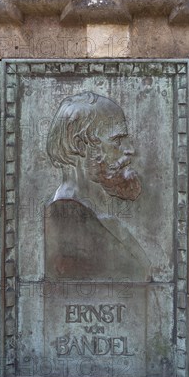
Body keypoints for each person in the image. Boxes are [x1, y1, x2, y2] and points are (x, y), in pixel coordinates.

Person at [44, 92, 151, 281]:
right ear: (80, 146)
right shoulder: (67, 219)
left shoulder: (99, 215)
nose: (130, 150)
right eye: (117, 140)